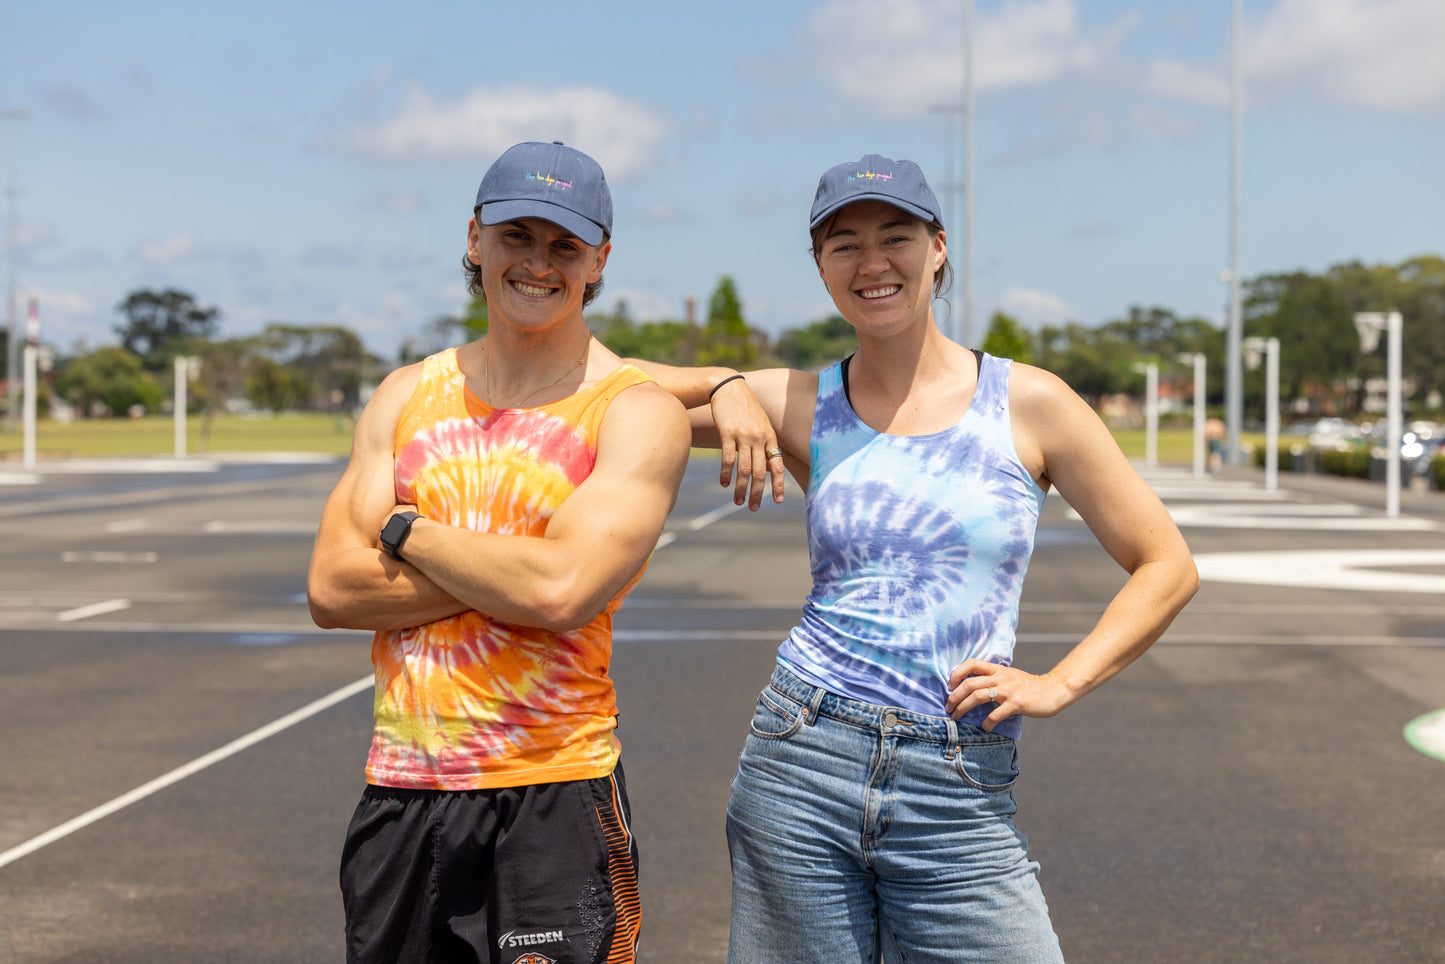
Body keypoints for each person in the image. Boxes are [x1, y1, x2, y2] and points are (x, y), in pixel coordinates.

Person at [630, 153, 1198, 962]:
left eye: (894, 236)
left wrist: (1059, 682)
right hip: (801, 761)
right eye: (844, 245)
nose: (872, 263)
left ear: (937, 248)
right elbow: (605, 391)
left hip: (957, 778)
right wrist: (723, 384)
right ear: (820, 266)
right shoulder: (800, 401)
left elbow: (1165, 563)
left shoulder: (1029, 402)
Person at [306, 140, 690, 964]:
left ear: (599, 260)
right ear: (475, 239)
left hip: (552, 792)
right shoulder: (406, 394)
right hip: (401, 791)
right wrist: (518, 565)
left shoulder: (632, 411)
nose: (538, 263)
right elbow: (333, 590)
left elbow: (561, 593)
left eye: (564, 245)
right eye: (517, 236)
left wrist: (407, 533)